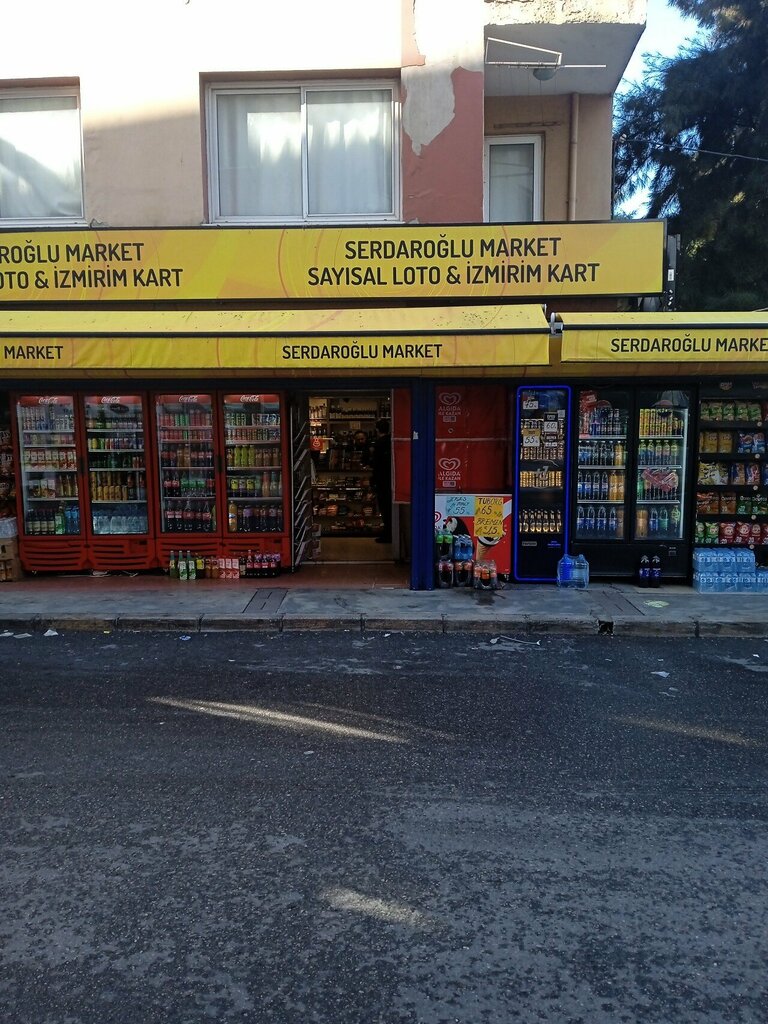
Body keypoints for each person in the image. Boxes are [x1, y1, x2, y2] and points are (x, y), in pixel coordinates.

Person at [371, 418, 392, 543]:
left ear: (377, 429)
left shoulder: (378, 444)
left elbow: (375, 464)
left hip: (382, 481)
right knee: (390, 509)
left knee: (385, 509)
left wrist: (373, 481)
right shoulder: (392, 441)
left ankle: (387, 535)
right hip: (391, 480)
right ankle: (392, 534)